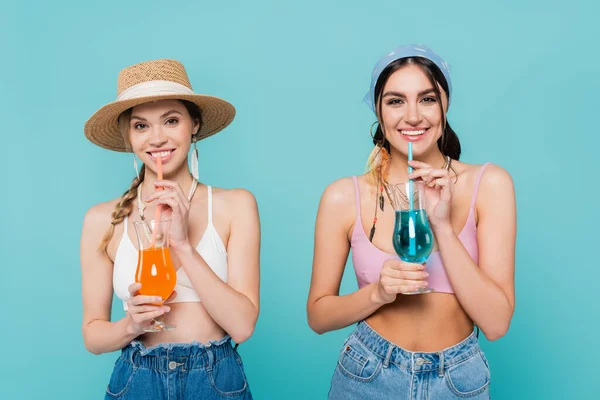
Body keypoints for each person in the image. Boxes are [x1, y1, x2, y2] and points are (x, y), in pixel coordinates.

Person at [307, 45, 516, 399]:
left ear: (445, 105)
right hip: (366, 375)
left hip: (458, 379)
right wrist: (378, 293)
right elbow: (318, 316)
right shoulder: (343, 196)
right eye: (395, 101)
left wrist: (444, 229)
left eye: (427, 99)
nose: (413, 116)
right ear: (378, 110)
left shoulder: (489, 185)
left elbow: (496, 324)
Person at [81, 59, 259, 399]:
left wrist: (183, 246)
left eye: (171, 120)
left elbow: (243, 325)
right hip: (136, 380)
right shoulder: (102, 220)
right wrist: (130, 326)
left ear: (194, 124)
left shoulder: (235, 205)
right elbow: (92, 335)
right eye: (141, 126)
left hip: (214, 379)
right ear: (128, 135)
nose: (157, 138)